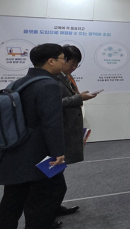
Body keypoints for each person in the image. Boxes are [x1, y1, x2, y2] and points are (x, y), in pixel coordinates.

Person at [0, 43, 67, 229]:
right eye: (62, 58)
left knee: (12, 200)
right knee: (47, 196)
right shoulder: (49, 84)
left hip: (14, 149)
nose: (64, 62)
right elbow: (51, 122)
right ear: (51, 61)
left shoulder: (19, 82)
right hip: (37, 153)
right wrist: (58, 152)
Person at [55, 45, 97, 218]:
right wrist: (79, 98)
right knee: (52, 175)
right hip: (59, 130)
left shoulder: (66, 77)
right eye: (71, 63)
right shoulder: (52, 78)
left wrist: (79, 97)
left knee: (57, 173)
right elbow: (54, 103)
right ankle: (47, 212)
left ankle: (54, 206)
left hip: (68, 129)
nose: (73, 67)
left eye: (76, 64)